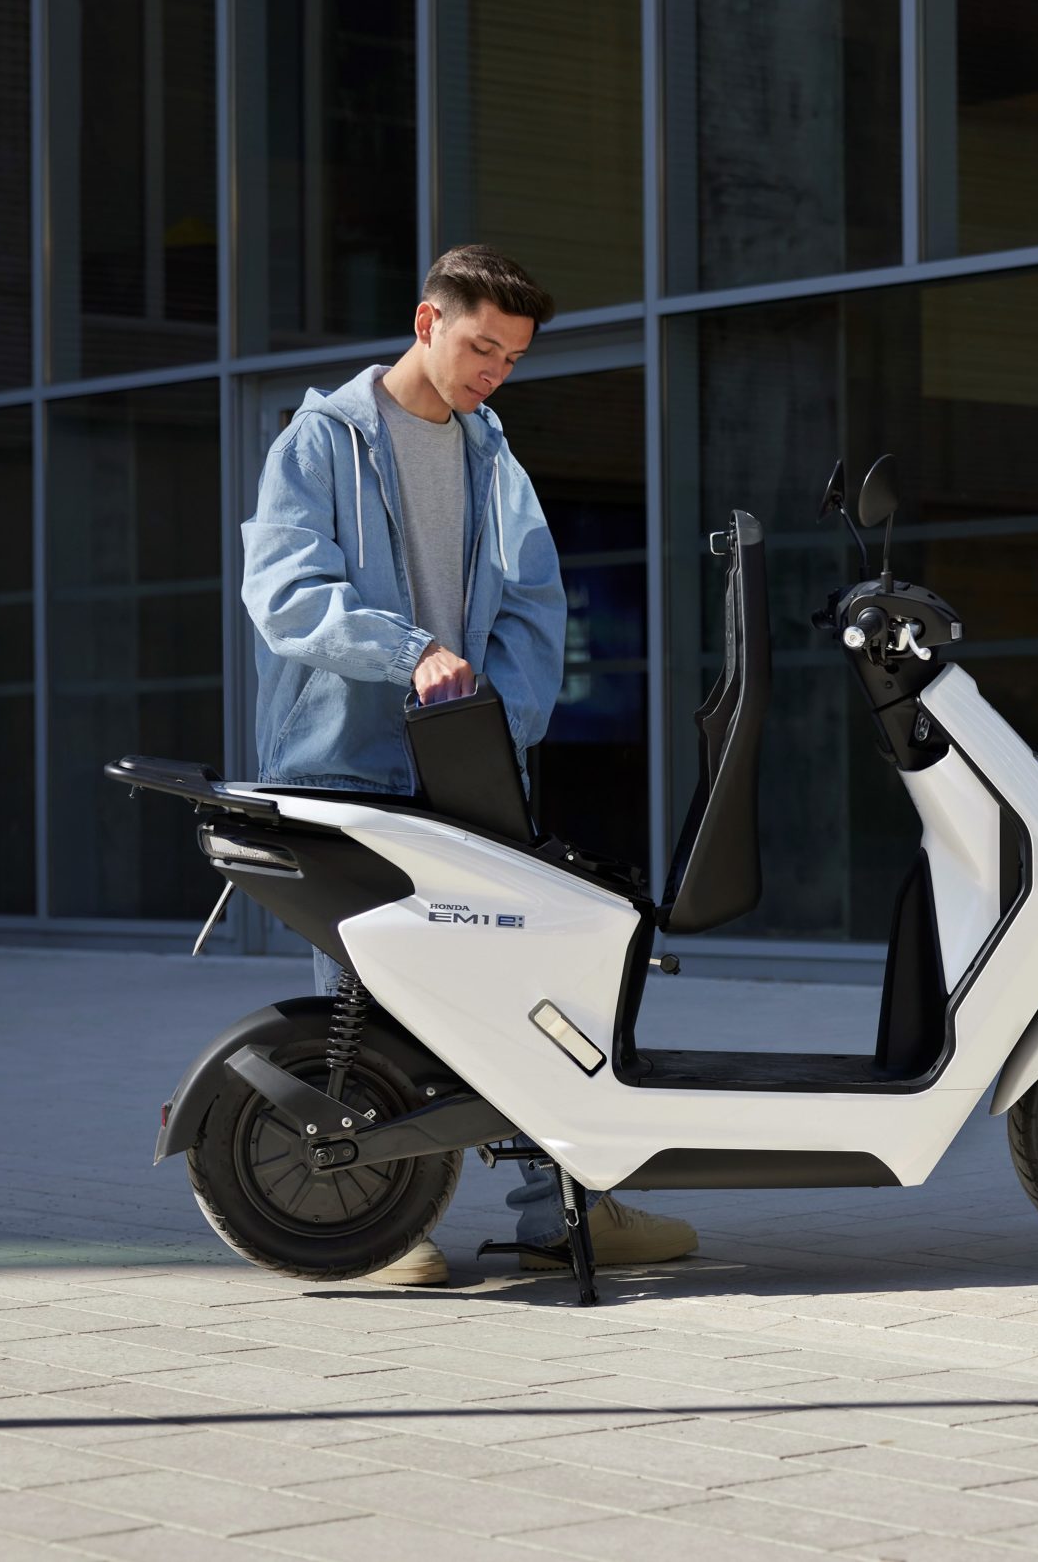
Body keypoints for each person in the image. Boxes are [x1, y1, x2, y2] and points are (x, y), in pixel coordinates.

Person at [240, 244, 699, 1282]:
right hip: (340, 764)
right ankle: (376, 1222)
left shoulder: (494, 456)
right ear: (427, 321)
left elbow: (534, 603)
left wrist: (502, 723)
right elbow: (286, 595)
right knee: (365, 1000)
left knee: (520, 979)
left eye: (512, 358)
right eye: (482, 346)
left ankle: (562, 1209)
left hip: (464, 768)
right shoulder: (321, 441)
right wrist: (412, 652)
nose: (494, 371)